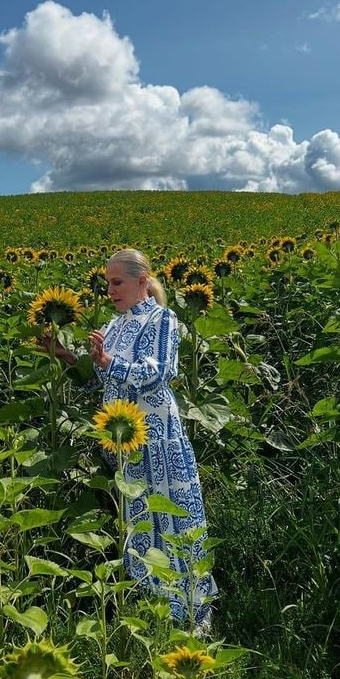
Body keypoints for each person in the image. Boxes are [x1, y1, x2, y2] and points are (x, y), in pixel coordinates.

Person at [87, 249, 217, 631]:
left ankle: (189, 610)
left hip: (156, 435)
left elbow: (159, 372)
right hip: (123, 441)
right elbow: (107, 380)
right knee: (138, 516)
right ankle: (151, 604)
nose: (110, 290)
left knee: (170, 513)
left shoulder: (162, 318)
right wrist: (74, 356)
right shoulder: (114, 325)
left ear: (142, 281)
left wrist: (112, 363)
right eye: (107, 283)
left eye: (117, 282)